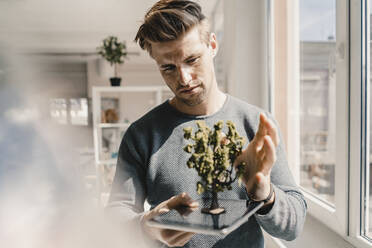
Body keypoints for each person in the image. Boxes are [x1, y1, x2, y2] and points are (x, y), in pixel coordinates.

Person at [106, 0, 307, 247]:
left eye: (192, 59)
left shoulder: (255, 125)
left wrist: (264, 193)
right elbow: (117, 213)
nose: (184, 78)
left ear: (212, 45)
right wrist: (147, 225)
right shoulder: (141, 135)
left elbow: (293, 226)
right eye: (168, 68)